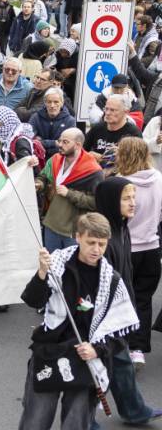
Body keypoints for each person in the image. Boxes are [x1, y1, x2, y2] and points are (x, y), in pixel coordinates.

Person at [17, 213, 137, 430]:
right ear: (77, 237)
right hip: (49, 351)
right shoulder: (55, 265)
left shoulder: (112, 281)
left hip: (86, 360)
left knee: (76, 424)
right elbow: (33, 300)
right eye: (91, 242)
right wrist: (42, 273)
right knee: (35, 420)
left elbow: (121, 333)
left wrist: (97, 349)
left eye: (102, 244)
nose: (96, 250)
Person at [93, 177, 162, 427]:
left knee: (121, 363)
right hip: (101, 318)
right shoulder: (102, 238)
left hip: (118, 313)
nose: (133, 203)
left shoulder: (122, 227)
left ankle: (134, 410)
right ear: (112, 202)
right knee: (94, 369)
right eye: (126, 198)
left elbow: (126, 273)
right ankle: (83, 419)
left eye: (134, 197)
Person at [113, 137, 162, 368]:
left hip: (126, 249)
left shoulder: (120, 183)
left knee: (119, 298)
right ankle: (138, 349)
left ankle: (118, 345)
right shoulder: (158, 178)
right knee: (143, 300)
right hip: (152, 248)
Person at [36, 128, 103, 252]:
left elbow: (97, 202)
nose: (60, 145)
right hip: (51, 224)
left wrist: (69, 194)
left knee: (71, 269)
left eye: (65, 142)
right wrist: (39, 184)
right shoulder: (55, 160)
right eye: (60, 141)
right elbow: (43, 176)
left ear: (78, 145)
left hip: (74, 231)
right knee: (52, 266)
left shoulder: (93, 171)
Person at [84, 95, 141, 172]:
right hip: (95, 173)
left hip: (121, 176)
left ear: (126, 112)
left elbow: (134, 162)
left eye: (113, 110)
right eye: (106, 109)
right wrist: (88, 156)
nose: (107, 113)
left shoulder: (133, 133)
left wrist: (102, 158)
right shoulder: (97, 128)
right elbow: (83, 151)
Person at [29, 88, 76, 159]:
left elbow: (67, 145)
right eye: (49, 102)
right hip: (38, 159)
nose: (52, 105)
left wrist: (41, 141)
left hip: (60, 160)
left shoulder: (70, 121)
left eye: (56, 102)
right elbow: (29, 140)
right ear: (45, 103)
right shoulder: (35, 117)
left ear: (62, 103)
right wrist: (54, 143)